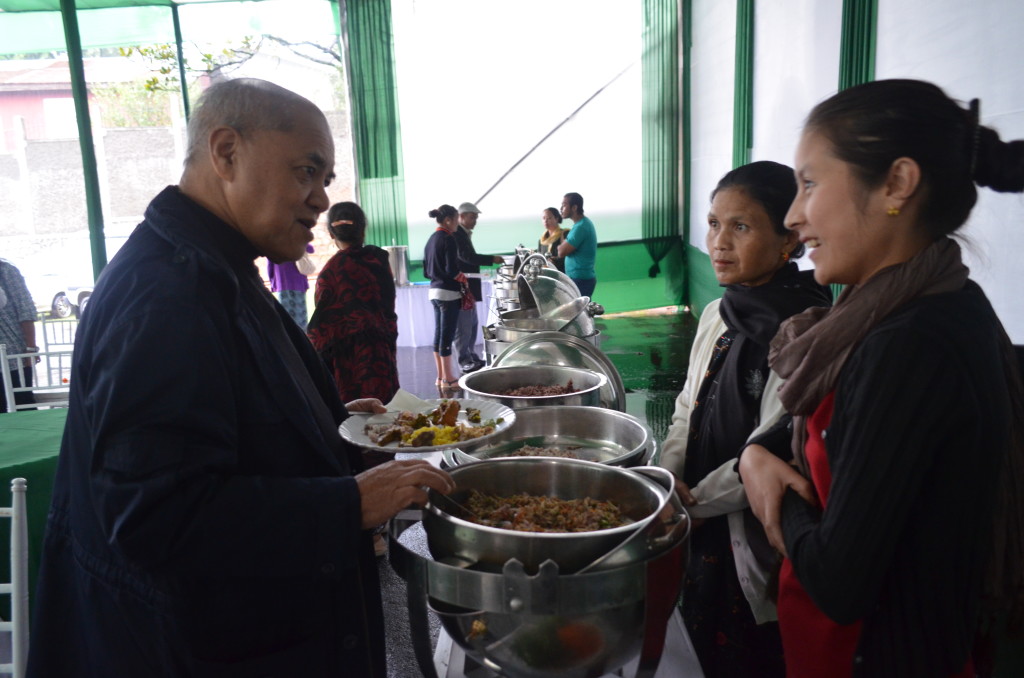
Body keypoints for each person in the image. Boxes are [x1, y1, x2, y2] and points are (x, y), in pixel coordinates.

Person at [26, 78, 453, 678]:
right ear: (226, 152)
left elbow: (226, 418)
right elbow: (155, 517)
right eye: (307, 170)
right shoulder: (166, 295)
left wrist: (321, 421)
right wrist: (349, 503)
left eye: (326, 180)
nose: (321, 201)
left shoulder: (219, 265)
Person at [738, 79, 1024, 678]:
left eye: (810, 183)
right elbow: (846, 440)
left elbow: (840, 581)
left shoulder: (908, 347)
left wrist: (769, 484)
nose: (794, 216)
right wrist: (760, 451)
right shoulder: (923, 305)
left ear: (896, 184)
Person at [658, 161, 831, 678]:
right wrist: (671, 479)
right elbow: (688, 404)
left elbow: (774, 446)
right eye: (713, 224)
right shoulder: (719, 312)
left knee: (750, 651)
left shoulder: (802, 328)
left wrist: (694, 505)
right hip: (694, 514)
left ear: (787, 241)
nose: (719, 243)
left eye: (741, 226)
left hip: (753, 530)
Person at [308, 201, 399, 404]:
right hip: (381, 355)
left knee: (355, 422)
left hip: (349, 365)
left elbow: (322, 331)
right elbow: (389, 311)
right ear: (363, 230)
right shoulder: (378, 261)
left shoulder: (330, 273)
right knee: (387, 416)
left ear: (331, 234)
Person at [451, 201, 503, 374]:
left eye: (476, 217)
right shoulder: (457, 234)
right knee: (464, 327)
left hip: (468, 287)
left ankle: (471, 355)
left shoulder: (463, 233)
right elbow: (466, 257)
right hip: (462, 287)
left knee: (472, 324)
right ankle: (463, 360)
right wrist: (491, 259)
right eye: (472, 217)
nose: (475, 221)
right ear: (461, 217)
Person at [423, 204, 465, 389]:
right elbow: (451, 270)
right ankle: (449, 379)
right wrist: (462, 278)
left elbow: (426, 271)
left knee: (439, 334)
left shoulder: (431, 239)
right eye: (456, 219)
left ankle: (440, 377)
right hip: (448, 293)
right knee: (447, 336)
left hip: (434, 291)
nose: (458, 223)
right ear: (448, 220)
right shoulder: (449, 239)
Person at [0, 258, 38, 412]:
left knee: (23, 404)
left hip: (13, 354)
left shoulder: (6, 271)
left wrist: (30, 348)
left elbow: (26, 310)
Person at [557, 191, 597, 297]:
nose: (561, 208)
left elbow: (561, 252)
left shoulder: (580, 227)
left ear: (574, 207)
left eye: (564, 205)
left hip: (580, 280)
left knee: (579, 313)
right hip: (579, 279)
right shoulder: (581, 224)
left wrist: (562, 245)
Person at [266, 247, 313, 329]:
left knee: (286, 320)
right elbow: (310, 249)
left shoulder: (272, 243)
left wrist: (273, 284)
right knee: (301, 319)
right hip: (298, 282)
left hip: (282, 283)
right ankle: (301, 338)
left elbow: (270, 266)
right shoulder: (296, 239)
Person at [537, 206, 568, 273]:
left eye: (549, 218)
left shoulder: (565, 234)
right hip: (546, 272)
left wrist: (554, 261)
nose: (545, 221)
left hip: (561, 273)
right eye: (543, 218)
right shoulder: (542, 239)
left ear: (556, 219)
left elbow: (568, 256)